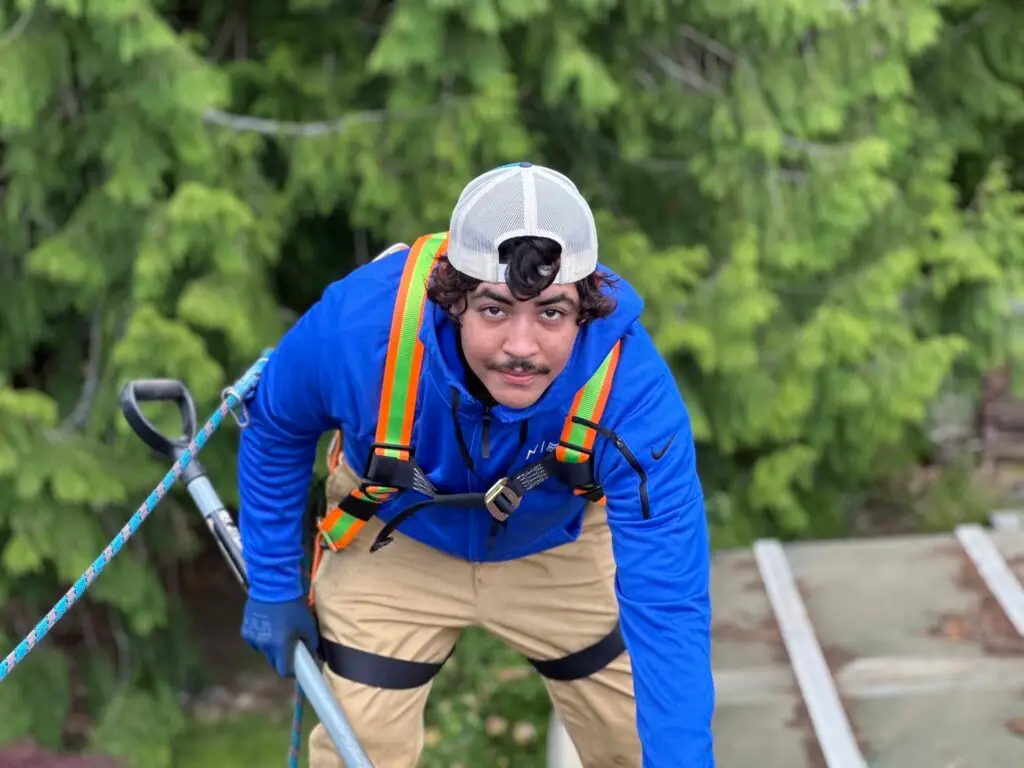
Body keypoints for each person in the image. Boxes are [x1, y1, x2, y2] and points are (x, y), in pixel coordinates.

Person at [236, 162, 715, 767]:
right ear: (455, 298)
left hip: (559, 544)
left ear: (586, 310)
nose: (520, 347)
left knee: (640, 747)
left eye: (550, 313)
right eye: (494, 309)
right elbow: (277, 425)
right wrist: (274, 580)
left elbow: (670, 604)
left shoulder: (632, 397)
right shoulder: (359, 331)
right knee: (362, 751)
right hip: (393, 539)